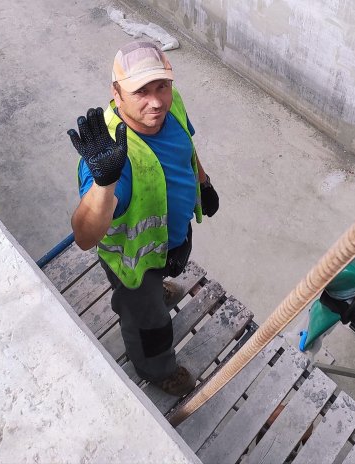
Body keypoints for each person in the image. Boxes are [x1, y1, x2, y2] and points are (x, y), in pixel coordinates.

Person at [67, 41, 219, 396]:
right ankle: (156, 369)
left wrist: (204, 182)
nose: (156, 102)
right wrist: (104, 183)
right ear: (116, 94)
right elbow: (85, 236)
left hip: (167, 241)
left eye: (161, 87)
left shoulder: (172, 104)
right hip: (133, 261)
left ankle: (153, 289)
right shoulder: (112, 155)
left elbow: (187, 147)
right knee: (148, 323)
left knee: (157, 279)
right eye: (141, 92)